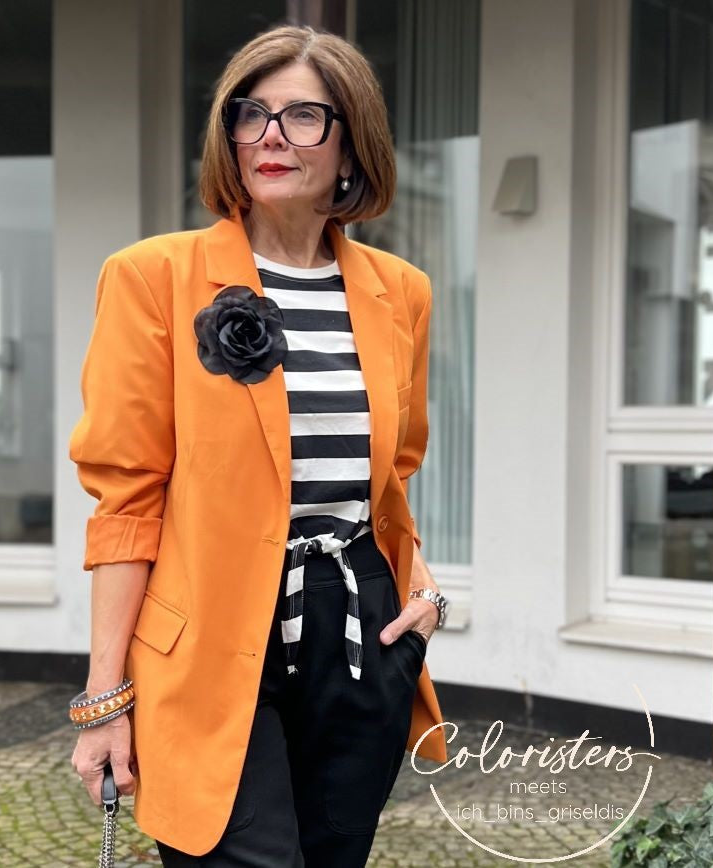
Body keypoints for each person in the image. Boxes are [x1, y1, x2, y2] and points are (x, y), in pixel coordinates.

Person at [68, 23, 450, 866]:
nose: (270, 135)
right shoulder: (152, 279)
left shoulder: (401, 294)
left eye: (303, 116)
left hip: (356, 637)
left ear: (352, 145)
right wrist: (105, 699)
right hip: (206, 640)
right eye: (251, 114)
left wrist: (422, 596)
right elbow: (128, 500)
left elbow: (393, 476)